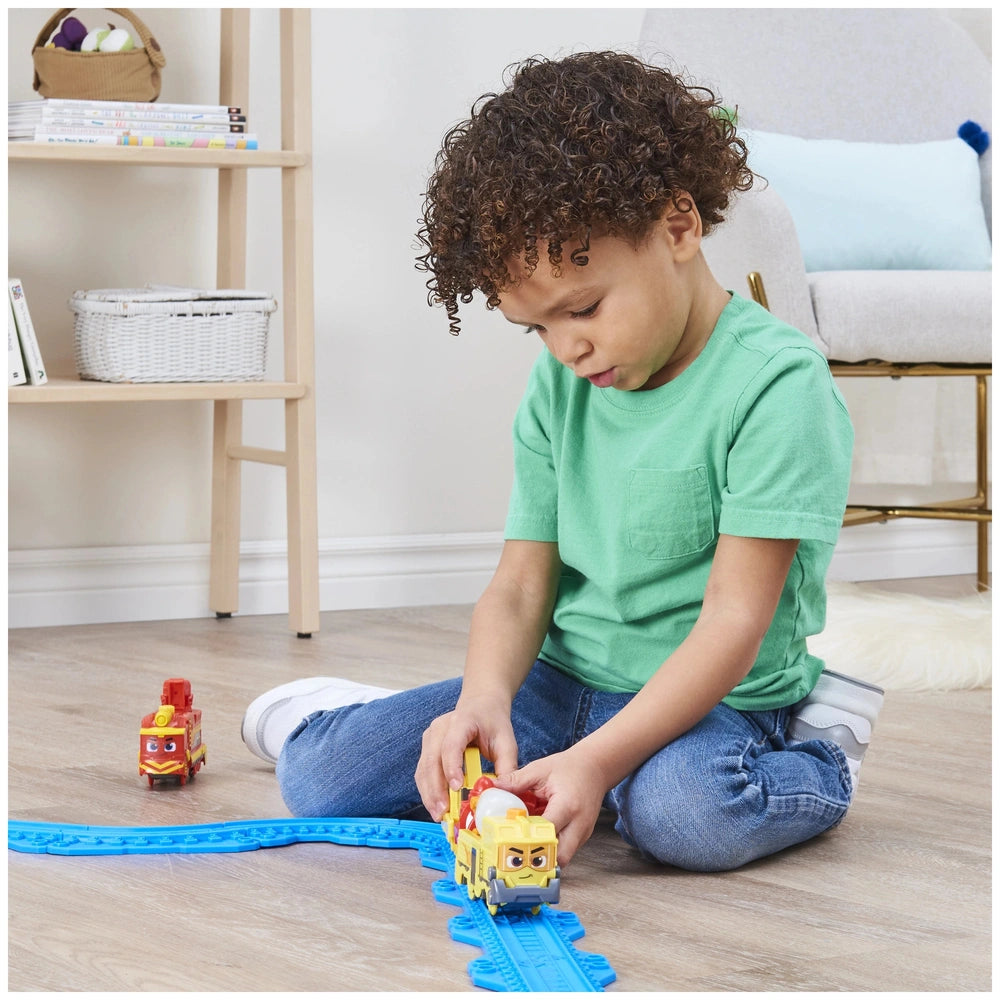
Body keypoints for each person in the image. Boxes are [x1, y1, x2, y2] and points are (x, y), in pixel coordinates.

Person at [241, 51, 884, 872]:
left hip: (717, 700)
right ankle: (372, 719)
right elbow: (518, 586)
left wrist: (602, 757)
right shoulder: (561, 382)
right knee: (319, 777)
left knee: (689, 818)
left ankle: (816, 757)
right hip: (562, 684)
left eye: (582, 309)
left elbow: (732, 621)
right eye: (536, 327)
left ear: (678, 226)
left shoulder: (778, 386)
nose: (566, 348)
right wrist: (482, 699)